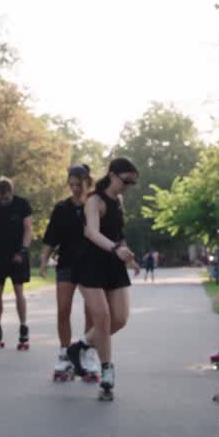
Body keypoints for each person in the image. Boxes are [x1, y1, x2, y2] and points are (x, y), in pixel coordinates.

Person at [66, 157, 140, 401]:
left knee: (120, 319)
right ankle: (107, 371)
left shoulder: (119, 201)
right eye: (126, 180)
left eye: (132, 182)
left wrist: (127, 255)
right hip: (91, 265)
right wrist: (115, 249)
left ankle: (81, 346)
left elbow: (119, 233)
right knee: (104, 320)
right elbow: (91, 232)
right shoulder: (94, 200)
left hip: (114, 264)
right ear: (113, 175)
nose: (128, 186)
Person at [39, 165, 95, 381]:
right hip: (67, 264)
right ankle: (64, 354)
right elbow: (51, 237)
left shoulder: (94, 204)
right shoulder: (61, 208)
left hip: (90, 264)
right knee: (63, 310)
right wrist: (44, 260)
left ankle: (88, 353)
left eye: (78, 185)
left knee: (91, 311)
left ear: (87, 182)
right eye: (71, 185)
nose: (74, 189)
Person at [0, 178, 34, 350]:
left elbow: (28, 228)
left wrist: (24, 250)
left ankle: (23, 327)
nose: (4, 200)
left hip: (18, 252)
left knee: (19, 290)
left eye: (7, 197)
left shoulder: (22, 204)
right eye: (1, 198)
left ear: (11, 192)